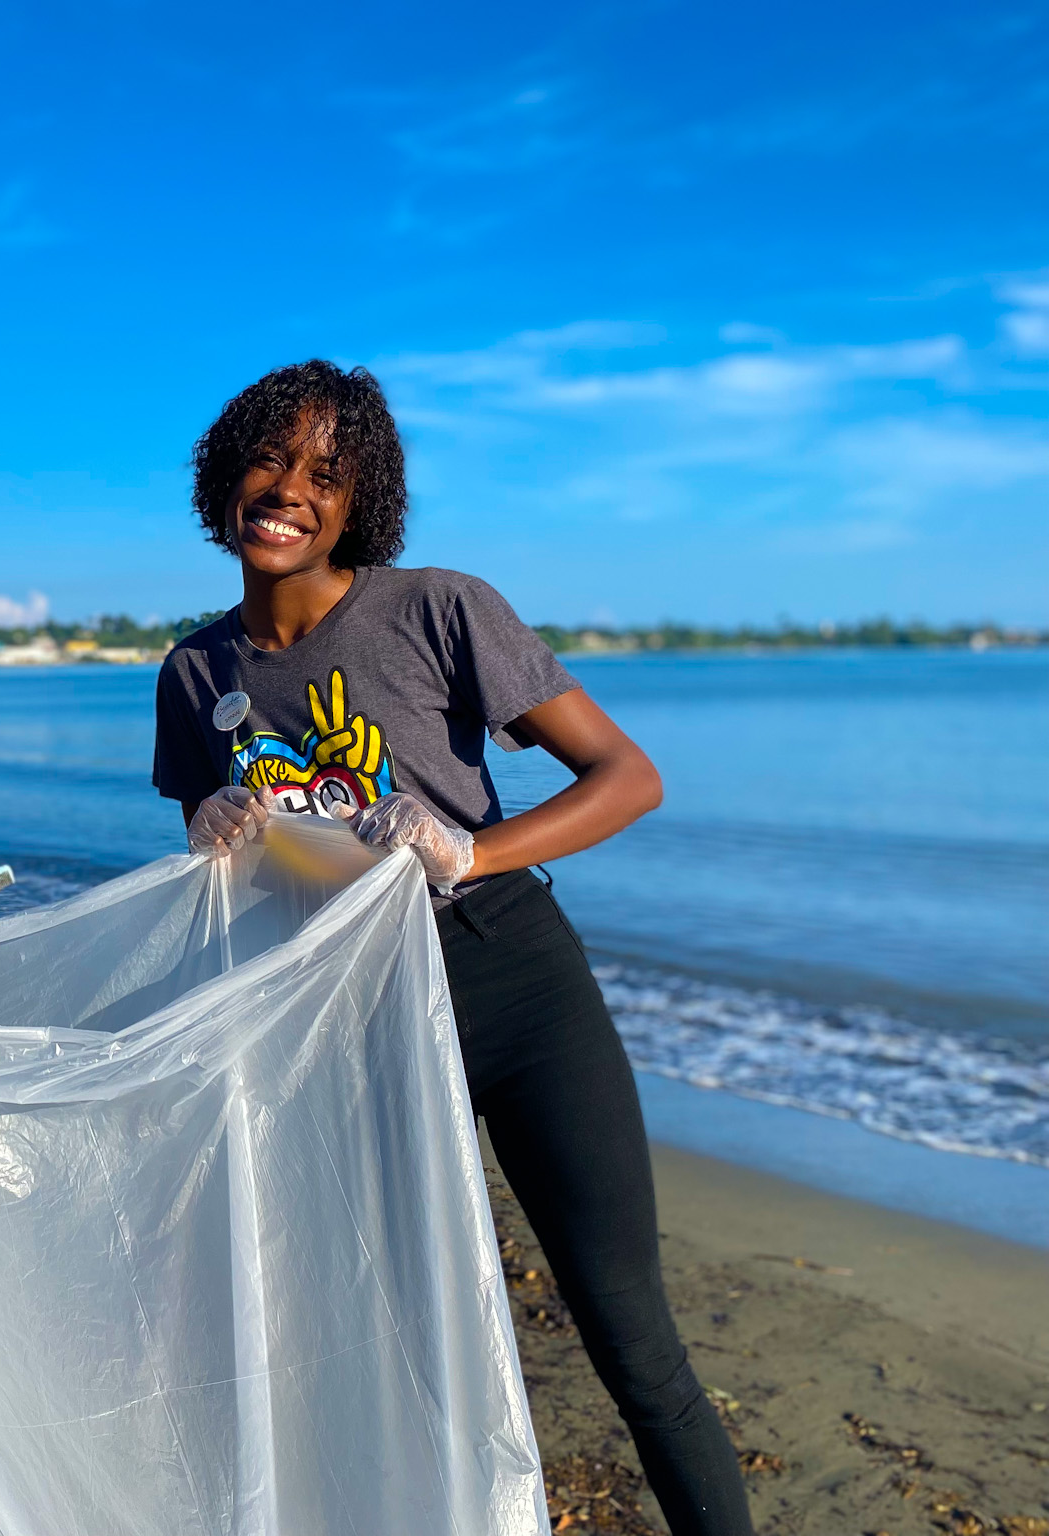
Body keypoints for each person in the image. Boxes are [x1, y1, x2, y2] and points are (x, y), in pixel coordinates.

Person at [153, 361, 753, 1536]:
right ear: (224, 478)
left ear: (359, 502)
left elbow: (626, 777)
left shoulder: (438, 607)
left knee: (629, 1335)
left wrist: (466, 850)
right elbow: (210, 846)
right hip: (341, 1016)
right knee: (398, 1345)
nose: (288, 492)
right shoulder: (192, 672)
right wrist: (206, 827)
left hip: (508, 977)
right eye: (268, 461)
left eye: (326, 474)